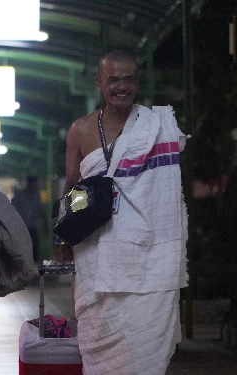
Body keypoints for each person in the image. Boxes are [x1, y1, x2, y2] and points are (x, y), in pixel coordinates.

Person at [54, 50, 188, 374]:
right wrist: (65, 240)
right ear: (100, 82)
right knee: (102, 354)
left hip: (151, 261)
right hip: (97, 260)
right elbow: (74, 190)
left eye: (129, 79)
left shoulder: (158, 127)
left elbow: (166, 191)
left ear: (138, 83)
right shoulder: (81, 130)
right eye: (114, 79)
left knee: (147, 355)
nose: (122, 87)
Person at [11, 176, 41, 262]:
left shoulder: (36, 196)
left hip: (32, 226)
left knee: (33, 247)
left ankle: (33, 264)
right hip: (22, 227)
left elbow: (39, 210)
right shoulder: (19, 196)